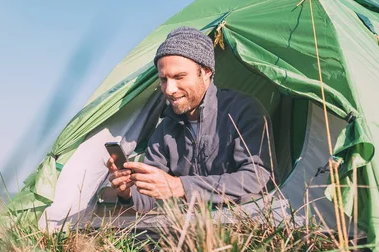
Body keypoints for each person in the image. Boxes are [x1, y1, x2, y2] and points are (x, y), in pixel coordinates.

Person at [107, 27, 276, 213]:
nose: (169, 89)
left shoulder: (243, 111)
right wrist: (127, 191)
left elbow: (258, 178)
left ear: (206, 73)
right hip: (191, 229)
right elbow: (148, 199)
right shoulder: (165, 130)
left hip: (246, 225)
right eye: (163, 79)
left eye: (179, 77)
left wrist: (180, 186)